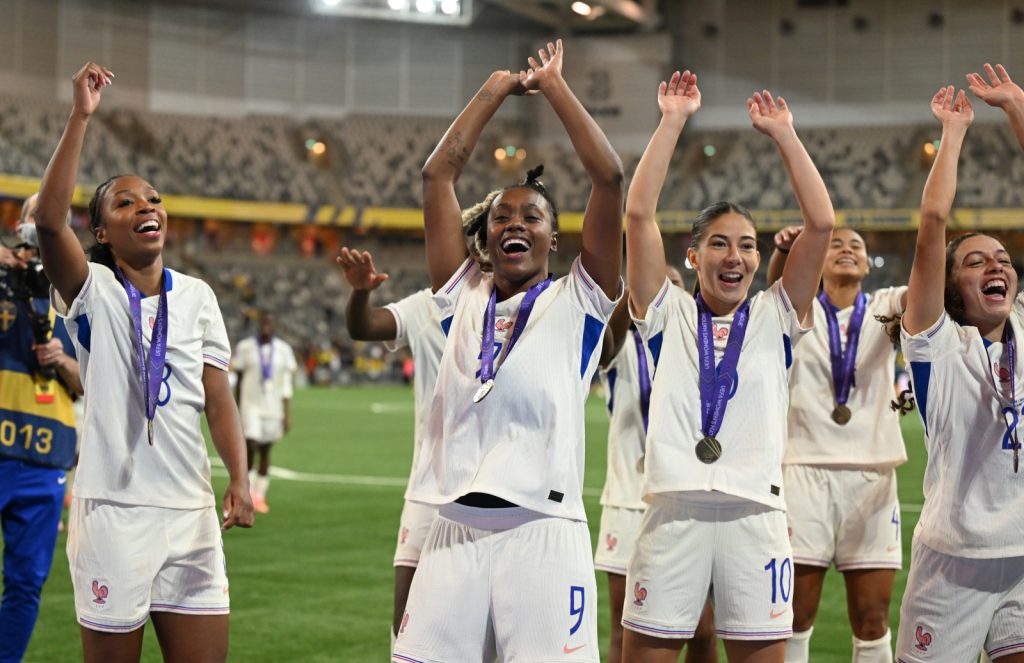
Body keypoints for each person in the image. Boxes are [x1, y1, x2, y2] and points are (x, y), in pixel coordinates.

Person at [392, 39, 624, 663]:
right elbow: (437, 175)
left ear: (555, 237)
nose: (514, 223)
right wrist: (494, 90)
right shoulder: (458, 292)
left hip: (543, 533)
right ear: (485, 237)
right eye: (501, 217)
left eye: (532, 216)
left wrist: (553, 87)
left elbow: (610, 177)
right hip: (452, 531)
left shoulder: (583, 298)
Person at [35, 62, 253, 663]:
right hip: (115, 513)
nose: (145, 206)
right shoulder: (94, 292)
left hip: (192, 513)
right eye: (125, 203)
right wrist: (80, 117)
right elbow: (50, 224)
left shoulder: (200, 296)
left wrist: (237, 477)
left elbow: (218, 399)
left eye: (152, 199)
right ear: (101, 230)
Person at [621, 71, 835, 663]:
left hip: (756, 515)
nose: (734, 255)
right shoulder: (663, 312)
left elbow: (820, 224)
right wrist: (671, 122)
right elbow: (639, 215)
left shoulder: (778, 313)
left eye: (746, 244)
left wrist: (785, 135)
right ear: (691, 256)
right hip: (674, 510)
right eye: (719, 243)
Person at [896, 80, 1024, 662]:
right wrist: (954, 132)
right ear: (952, 286)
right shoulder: (936, 345)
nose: (995, 265)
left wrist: (1019, 110)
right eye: (975, 261)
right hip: (953, 563)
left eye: (1002, 258)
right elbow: (932, 222)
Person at [765, 225, 907, 663]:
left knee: (872, 620)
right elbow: (777, 294)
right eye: (836, 245)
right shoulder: (801, 312)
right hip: (804, 471)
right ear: (818, 261)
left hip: (873, 477)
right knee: (795, 615)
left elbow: (926, 291)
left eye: (857, 246)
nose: (847, 249)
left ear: (866, 264)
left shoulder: (886, 307)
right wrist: (786, 253)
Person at [595, 269, 719, 663]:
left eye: (675, 290)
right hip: (628, 500)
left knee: (702, 630)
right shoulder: (621, 348)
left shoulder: (705, 355)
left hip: (689, 500)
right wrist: (634, 290)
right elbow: (601, 348)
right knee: (624, 625)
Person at [336, 246, 446, 646]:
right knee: (405, 625)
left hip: (496, 496)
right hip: (427, 490)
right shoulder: (425, 306)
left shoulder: (521, 313)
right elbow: (363, 326)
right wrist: (362, 292)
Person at [0, 193, 82, 663]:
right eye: (39, 214)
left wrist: (63, 360)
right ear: (21, 223)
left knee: (26, 584)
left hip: (45, 458)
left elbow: (87, 382)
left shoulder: (78, 293)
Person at [231, 310, 297, 514]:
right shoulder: (246, 347)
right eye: (263, 323)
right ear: (259, 325)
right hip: (250, 405)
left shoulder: (284, 350)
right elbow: (239, 378)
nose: (266, 326)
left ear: (274, 326)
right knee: (250, 445)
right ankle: (247, 492)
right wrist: (236, 406)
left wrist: (287, 413)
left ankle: (259, 496)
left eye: (270, 323)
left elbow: (286, 382)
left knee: (266, 451)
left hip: (273, 406)